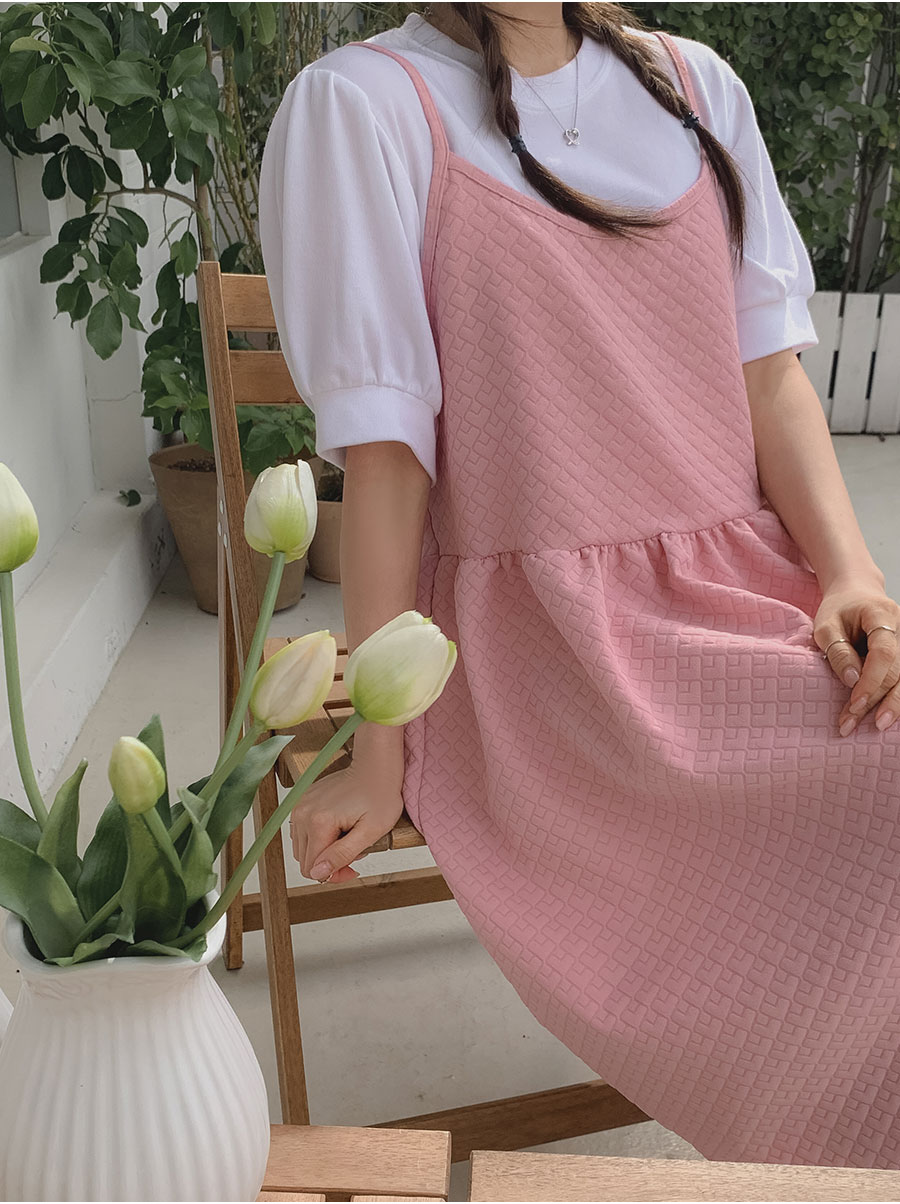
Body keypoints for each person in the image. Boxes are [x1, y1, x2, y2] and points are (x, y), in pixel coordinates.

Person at [259, 2, 900, 1168]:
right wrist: (381, 748)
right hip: (545, 647)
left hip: (744, 586)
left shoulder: (695, 85)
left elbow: (770, 378)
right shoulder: (362, 106)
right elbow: (388, 460)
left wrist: (850, 570)